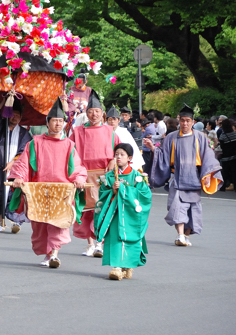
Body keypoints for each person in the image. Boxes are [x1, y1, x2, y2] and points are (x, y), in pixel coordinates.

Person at [9, 98, 87, 267]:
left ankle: (54, 254)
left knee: (58, 222)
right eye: (55, 121)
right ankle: (47, 253)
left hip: (61, 191)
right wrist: (19, 178)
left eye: (61, 121)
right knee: (40, 225)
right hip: (39, 191)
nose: (58, 124)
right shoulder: (35, 142)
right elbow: (23, 163)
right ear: (47, 122)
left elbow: (77, 167)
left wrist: (79, 179)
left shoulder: (69, 145)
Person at [144, 104, 223, 246]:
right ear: (179, 121)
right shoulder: (171, 137)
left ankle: (186, 235)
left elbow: (208, 158)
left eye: (188, 121)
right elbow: (163, 156)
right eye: (182, 120)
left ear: (192, 122)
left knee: (192, 209)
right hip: (177, 178)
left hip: (194, 178)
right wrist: (153, 149)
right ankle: (180, 235)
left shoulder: (201, 138)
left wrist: (207, 177)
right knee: (176, 207)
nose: (184, 123)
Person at [69, 90, 119, 257]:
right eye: (91, 111)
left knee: (102, 209)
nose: (94, 114)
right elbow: (69, 152)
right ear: (86, 113)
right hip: (83, 174)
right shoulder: (78, 131)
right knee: (85, 211)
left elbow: (119, 152)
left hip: (104, 176)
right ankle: (90, 244)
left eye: (97, 111)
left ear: (102, 114)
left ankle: (100, 242)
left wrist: (113, 159)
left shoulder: (110, 132)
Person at [94, 143, 152, 280]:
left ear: (129, 158)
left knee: (130, 238)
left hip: (131, 214)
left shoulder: (137, 176)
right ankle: (117, 267)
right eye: (116, 154)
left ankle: (127, 265)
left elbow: (145, 195)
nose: (118, 157)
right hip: (114, 213)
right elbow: (102, 193)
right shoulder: (109, 176)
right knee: (115, 238)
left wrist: (125, 190)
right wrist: (112, 191)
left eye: (122, 154)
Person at [0, 98, 32, 232]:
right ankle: (1, 221)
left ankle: (16, 221)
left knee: (14, 196)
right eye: (12, 114)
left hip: (16, 170)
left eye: (18, 115)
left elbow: (27, 152)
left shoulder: (24, 133)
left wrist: (14, 163)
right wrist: (4, 101)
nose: (15, 118)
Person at [106, 106, 144, 171]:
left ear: (118, 120)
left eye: (114, 119)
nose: (112, 122)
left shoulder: (124, 132)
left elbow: (132, 147)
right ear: (106, 121)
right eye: (110, 119)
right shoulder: (104, 132)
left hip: (123, 160)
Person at [218, 119, 236, 191]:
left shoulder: (223, 136)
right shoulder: (234, 134)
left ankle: (222, 187)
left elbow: (221, 146)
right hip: (234, 156)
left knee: (224, 172)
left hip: (225, 157)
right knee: (234, 172)